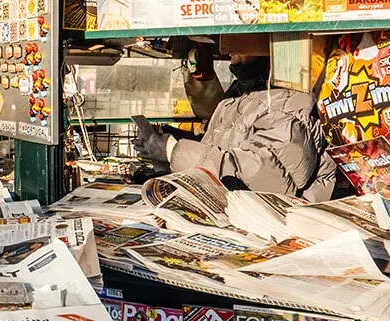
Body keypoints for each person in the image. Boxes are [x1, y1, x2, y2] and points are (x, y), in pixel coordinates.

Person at [135, 36, 336, 202]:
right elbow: (227, 146)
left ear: (268, 43)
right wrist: (175, 139)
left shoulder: (291, 97)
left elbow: (263, 175)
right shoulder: (244, 90)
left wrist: (172, 151)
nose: (225, 48)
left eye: (234, 37)